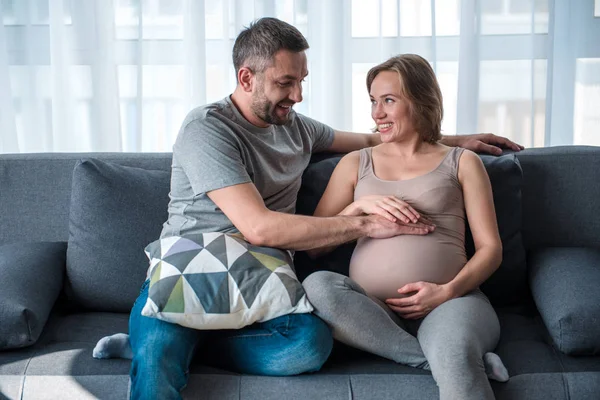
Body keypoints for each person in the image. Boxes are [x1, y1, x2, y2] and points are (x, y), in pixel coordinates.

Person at [93, 18, 521, 400]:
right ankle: (165, 342)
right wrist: (364, 221)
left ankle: (186, 344)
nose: (297, 95)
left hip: (261, 279)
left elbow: (380, 139)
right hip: (194, 269)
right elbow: (259, 228)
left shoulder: (296, 128)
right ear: (247, 78)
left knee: (309, 346)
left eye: (302, 81)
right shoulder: (208, 129)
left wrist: (457, 142)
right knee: (156, 362)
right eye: (285, 82)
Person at [302, 54, 510, 400]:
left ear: (420, 100)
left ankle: (456, 359)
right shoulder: (355, 163)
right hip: (372, 311)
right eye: (372, 101)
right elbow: (314, 245)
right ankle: (442, 361)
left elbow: (491, 249)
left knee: (453, 353)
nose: (376, 113)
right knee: (317, 286)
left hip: (451, 302)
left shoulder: (463, 162)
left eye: (388, 101)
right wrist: (356, 209)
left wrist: (447, 291)